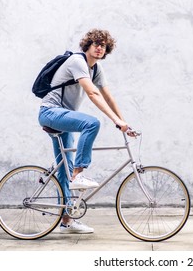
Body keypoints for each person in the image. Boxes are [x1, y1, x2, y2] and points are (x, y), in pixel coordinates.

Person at [38, 29, 133, 234]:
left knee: (63, 170)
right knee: (92, 123)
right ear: (88, 45)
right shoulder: (77, 61)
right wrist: (115, 120)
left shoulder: (96, 69)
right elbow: (92, 93)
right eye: (96, 44)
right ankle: (79, 172)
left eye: (104, 46)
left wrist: (124, 122)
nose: (100, 48)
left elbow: (108, 97)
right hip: (50, 113)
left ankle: (66, 222)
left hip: (63, 118)